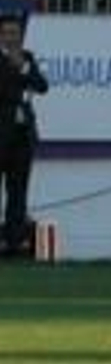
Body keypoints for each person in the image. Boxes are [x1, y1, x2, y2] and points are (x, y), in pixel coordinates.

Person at [0, 15, 46, 260]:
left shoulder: (27, 58)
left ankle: (13, 243)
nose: (12, 38)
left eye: (15, 33)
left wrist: (24, 67)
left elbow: (42, 86)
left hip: (21, 136)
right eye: (7, 33)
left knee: (18, 191)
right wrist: (15, 69)